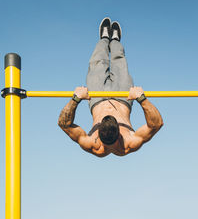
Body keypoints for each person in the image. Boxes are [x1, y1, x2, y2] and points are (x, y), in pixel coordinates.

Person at [58, 18, 163, 157]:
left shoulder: (93, 145)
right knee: (119, 61)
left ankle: (104, 38)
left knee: (97, 63)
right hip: (122, 98)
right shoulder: (129, 143)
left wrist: (76, 99)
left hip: (97, 98)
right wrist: (142, 99)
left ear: (99, 133)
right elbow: (156, 125)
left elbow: (64, 124)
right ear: (119, 132)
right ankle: (115, 40)